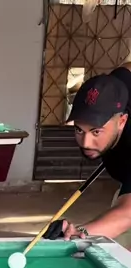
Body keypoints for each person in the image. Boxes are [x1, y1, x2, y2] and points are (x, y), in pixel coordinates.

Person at [44, 65, 131, 246]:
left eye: (96, 132)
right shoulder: (116, 85)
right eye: (79, 130)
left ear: (122, 121)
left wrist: (81, 232)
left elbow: (126, 214)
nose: (86, 143)